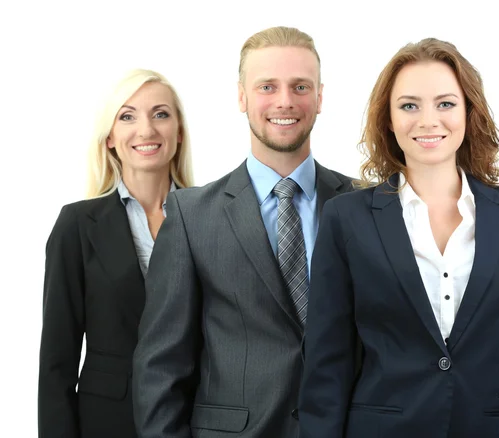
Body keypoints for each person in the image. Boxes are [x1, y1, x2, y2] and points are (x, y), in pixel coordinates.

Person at [298, 38, 499, 437]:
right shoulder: (346, 218)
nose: (428, 120)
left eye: (445, 103)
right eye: (409, 105)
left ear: (468, 112)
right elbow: (326, 362)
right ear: (388, 118)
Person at [132, 26, 354, 438]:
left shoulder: (362, 204)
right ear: (241, 97)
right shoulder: (191, 215)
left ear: (320, 97)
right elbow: (160, 368)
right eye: (267, 86)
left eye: (300, 86)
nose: (285, 101)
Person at [38, 69, 194, 438]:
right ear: (109, 138)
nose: (146, 130)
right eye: (127, 116)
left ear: (179, 132)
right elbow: (56, 361)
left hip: (194, 416)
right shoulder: (77, 224)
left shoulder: (210, 216)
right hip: (107, 422)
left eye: (161, 114)